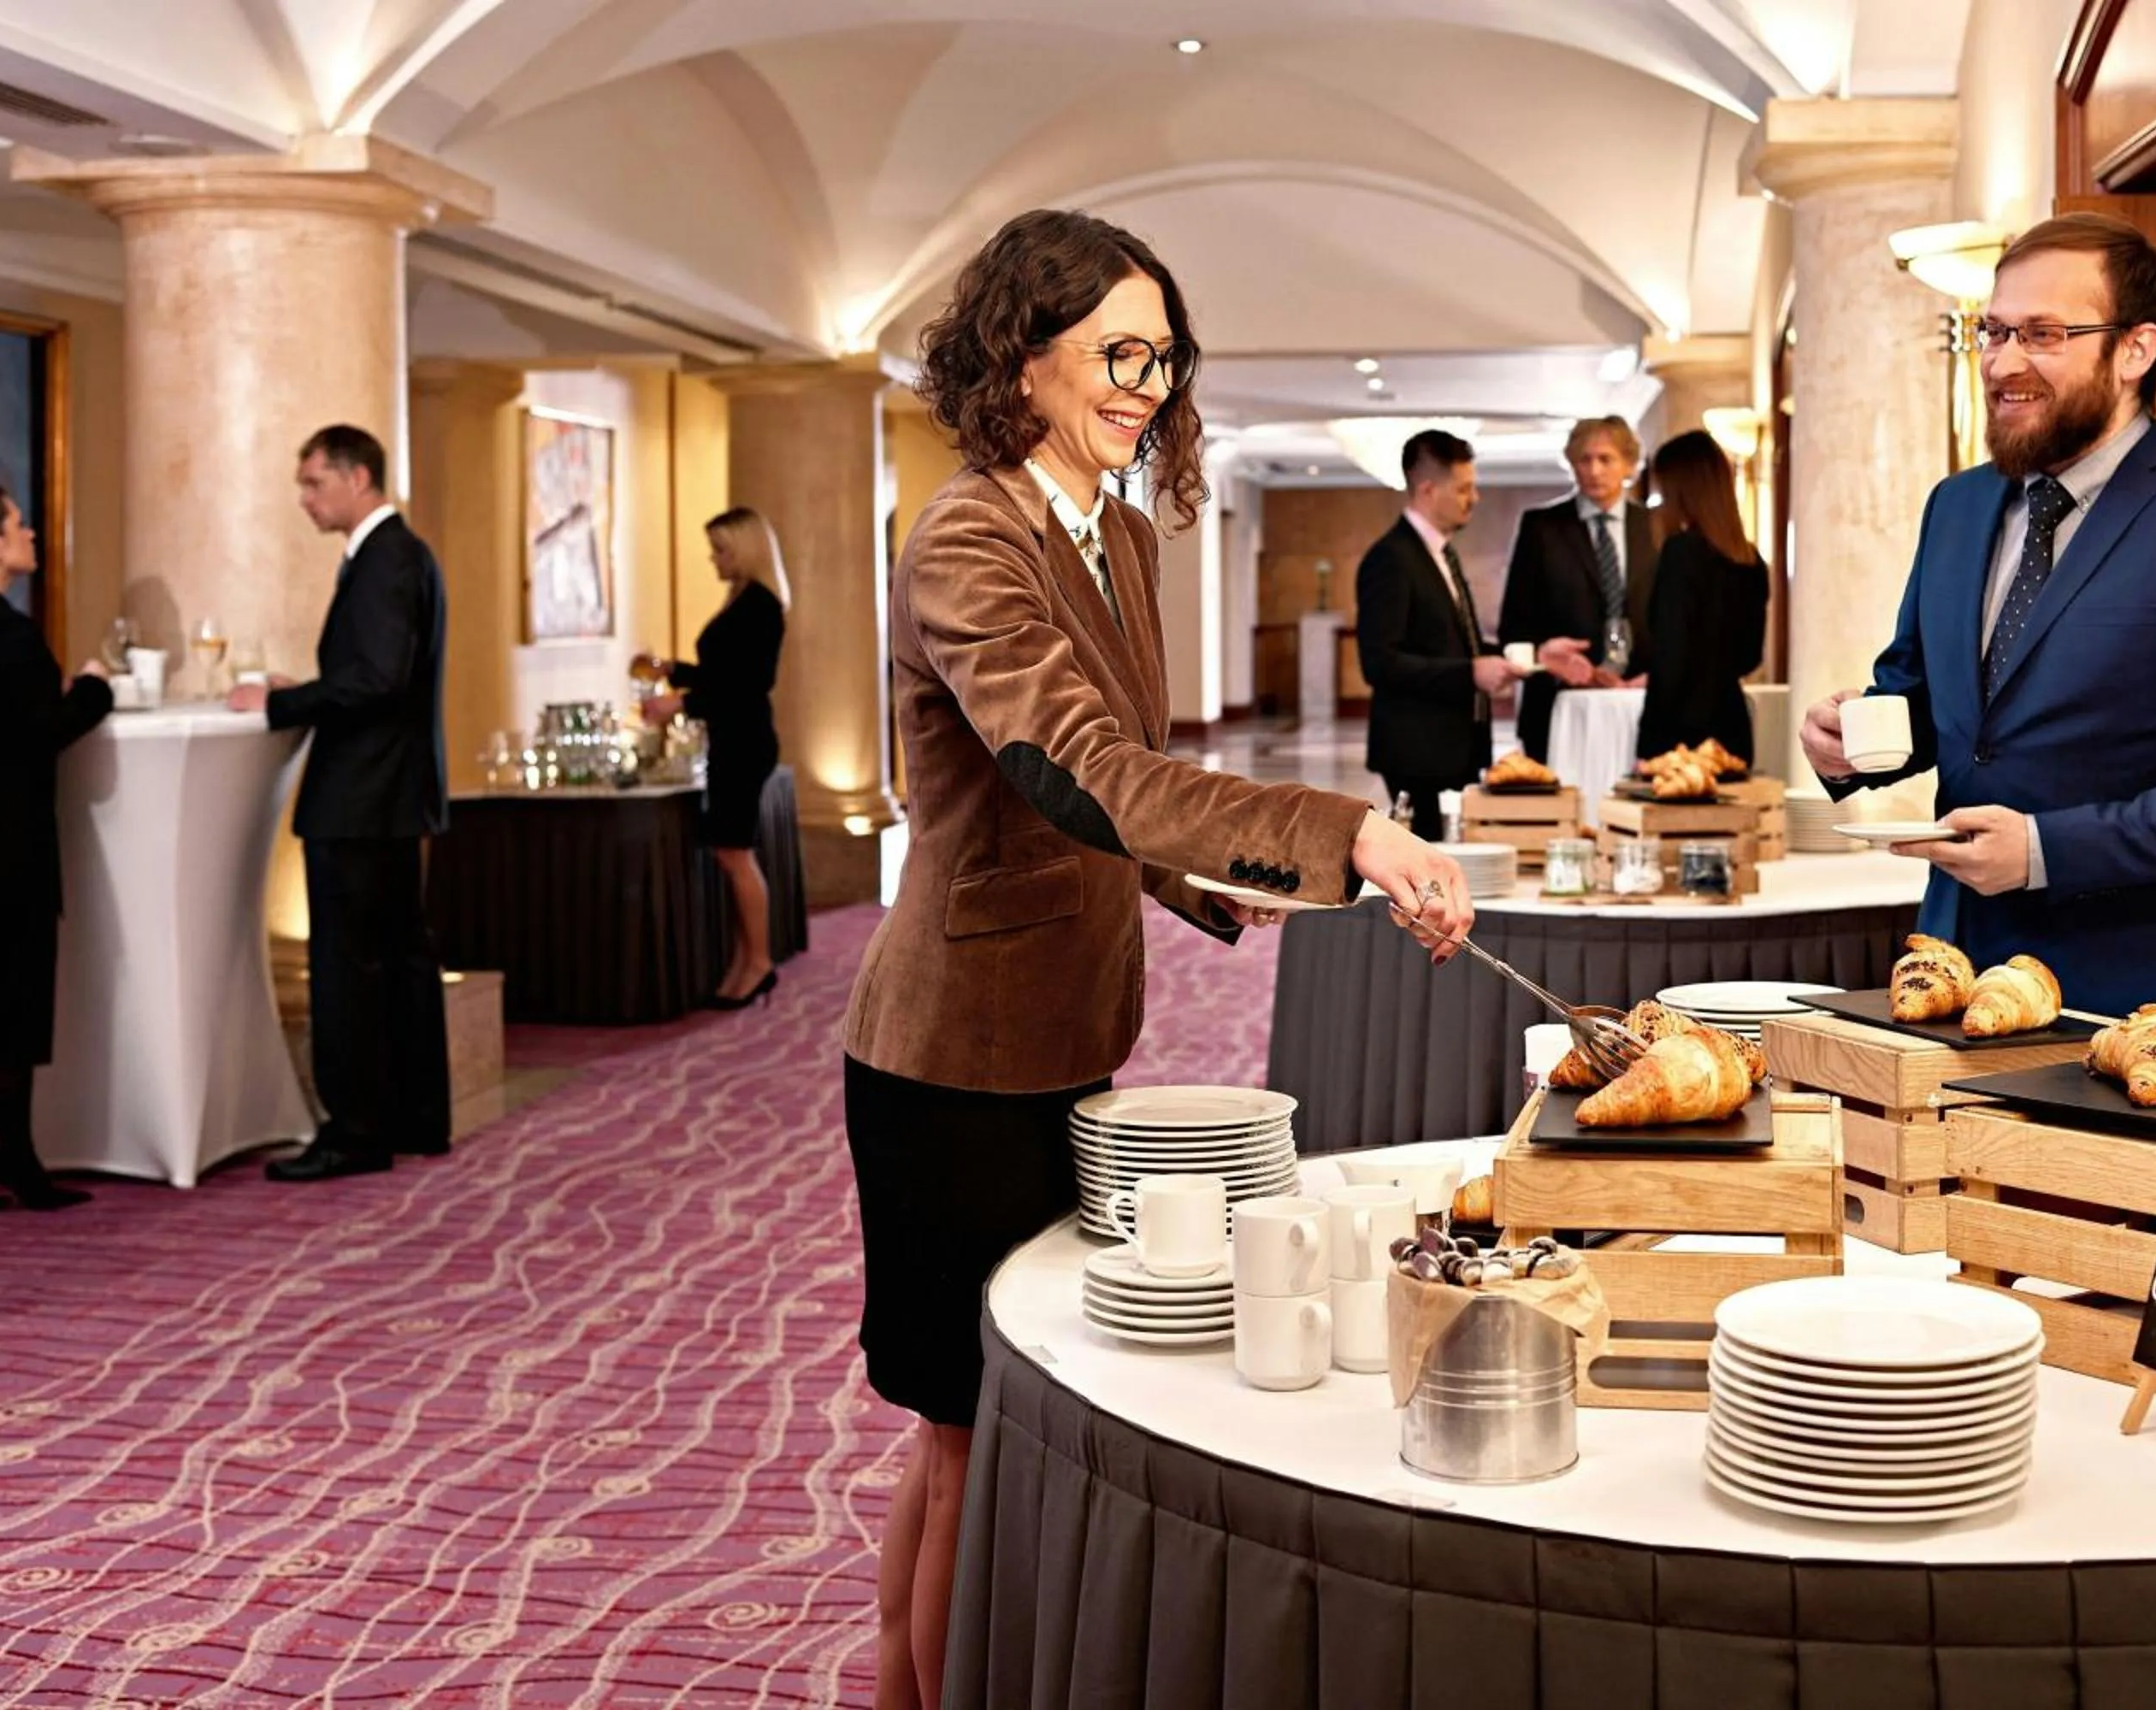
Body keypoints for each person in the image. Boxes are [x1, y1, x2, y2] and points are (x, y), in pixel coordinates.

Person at [841, 208, 1472, 1710]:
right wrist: (1343, 831)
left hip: (1066, 1022)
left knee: (973, 1420)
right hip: (950, 1051)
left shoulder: (1118, 532)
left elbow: (1114, 800)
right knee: (970, 1428)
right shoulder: (967, 536)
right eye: (1117, 353)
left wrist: (1214, 884)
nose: (1147, 385)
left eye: (1163, 358)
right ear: (1022, 357)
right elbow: (1076, 767)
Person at [1799, 212, 2156, 1053]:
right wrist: (1851, 744)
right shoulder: (1956, 505)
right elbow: (1930, 703)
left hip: (2139, 994)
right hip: (1953, 968)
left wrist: (2046, 849)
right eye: (1994, 331)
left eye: (2043, 335)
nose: (2003, 362)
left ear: (2136, 350)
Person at [229, 425, 453, 1180]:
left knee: (350, 967)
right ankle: (417, 1117)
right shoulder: (404, 554)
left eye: (314, 482)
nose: (304, 499)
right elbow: (380, 672)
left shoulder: (384, 558)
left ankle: (355, 1132)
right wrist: (313, 690)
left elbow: (378, 680)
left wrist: (277, 704)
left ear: (359, 478)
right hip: (391, 794)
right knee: (401, 958)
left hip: (363, 797)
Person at [0, 486, 109, 1212]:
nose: (31, 535)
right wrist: (95, 691)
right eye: (18, 524)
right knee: (7, 1010)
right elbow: (45, 730)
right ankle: (17, 1160)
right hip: (2, 848)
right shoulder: (8, 634)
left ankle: (12, 1161)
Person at [632, 506, 789, 1010]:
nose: (714, 559)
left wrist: (679, 703)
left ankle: (759, 961)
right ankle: (745, 961)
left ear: (744, 550)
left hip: (744, 740)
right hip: (732, 738)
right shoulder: (742, 599)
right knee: (730, 852)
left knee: (735, 853)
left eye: (720, 549)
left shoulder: (760, 605)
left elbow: (746, 685)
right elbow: (722, 673)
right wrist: (672, 670)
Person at [1353, 429, 1526, 840]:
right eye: (1464, 488)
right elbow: (1380, 663)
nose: (1475, 498)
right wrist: (1470, 673)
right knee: (1427, 864)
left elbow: (1456, 643)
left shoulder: (1441, 553)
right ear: (1428, 490)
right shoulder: (1391, 559)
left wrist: (1521, 658)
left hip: (1453, 746)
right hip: (1418, 752)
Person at [1497, 415, 1658, 763]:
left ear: (1629, 465)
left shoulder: (1657, 527)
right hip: (1561, 706)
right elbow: (1514, 624)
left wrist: (1660, 675)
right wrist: (1547, 657)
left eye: (1606, 459)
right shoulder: (1541, 529)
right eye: (1585, 460)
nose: (1595, 470)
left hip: (1642, 704)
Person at [1634, 429, 1769, 764]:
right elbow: (1750, 658)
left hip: (1679, 732)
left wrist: (1647, 741)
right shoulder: (1751, 561)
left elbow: (1671, 658)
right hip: (1732, 724)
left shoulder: (1681, 552)